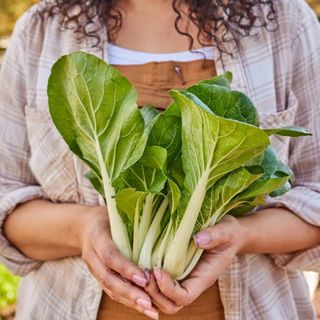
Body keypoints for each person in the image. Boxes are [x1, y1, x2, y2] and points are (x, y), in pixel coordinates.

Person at [0, 0, 320, 319]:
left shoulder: (285, 22)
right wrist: (84, 229)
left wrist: (242, 235)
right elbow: (6, 199)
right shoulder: (42, 29)